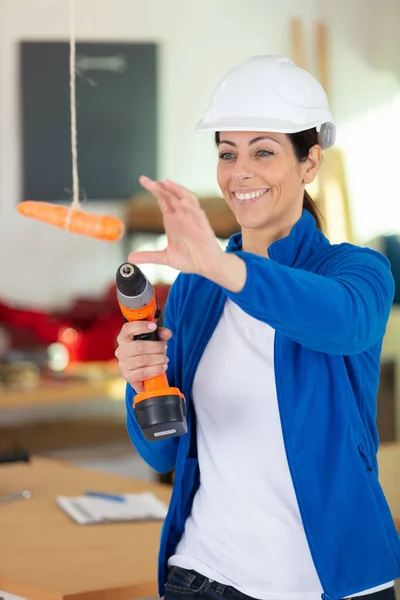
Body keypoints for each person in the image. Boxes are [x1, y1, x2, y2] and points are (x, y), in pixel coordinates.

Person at [115, 56, 400, 600]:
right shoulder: (196, 291)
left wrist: (222, 264)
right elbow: (163, 456)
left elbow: (342, 322)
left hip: (330, 584)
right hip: (202, 578)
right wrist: (141, 383)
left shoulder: (356, 271)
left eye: (263, 151)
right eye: (227, 153)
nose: (239, 172)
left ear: (310, 162)